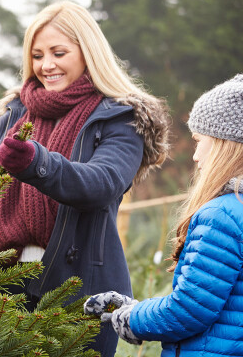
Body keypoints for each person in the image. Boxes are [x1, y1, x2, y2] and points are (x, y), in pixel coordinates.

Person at [0, 0, 171, 355]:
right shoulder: (17, 112)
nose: (46, 65)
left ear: (88, 52)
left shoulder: (119, 118)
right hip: (0, 289)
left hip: (79, 294)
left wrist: (36, 162)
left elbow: (101, 183)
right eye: (37, 55)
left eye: (58, 52)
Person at [84, 74, 243, 356]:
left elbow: (188, 311)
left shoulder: (223, 215)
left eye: (198, 141)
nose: (195, 156)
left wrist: (128, 316)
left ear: (223, 144)